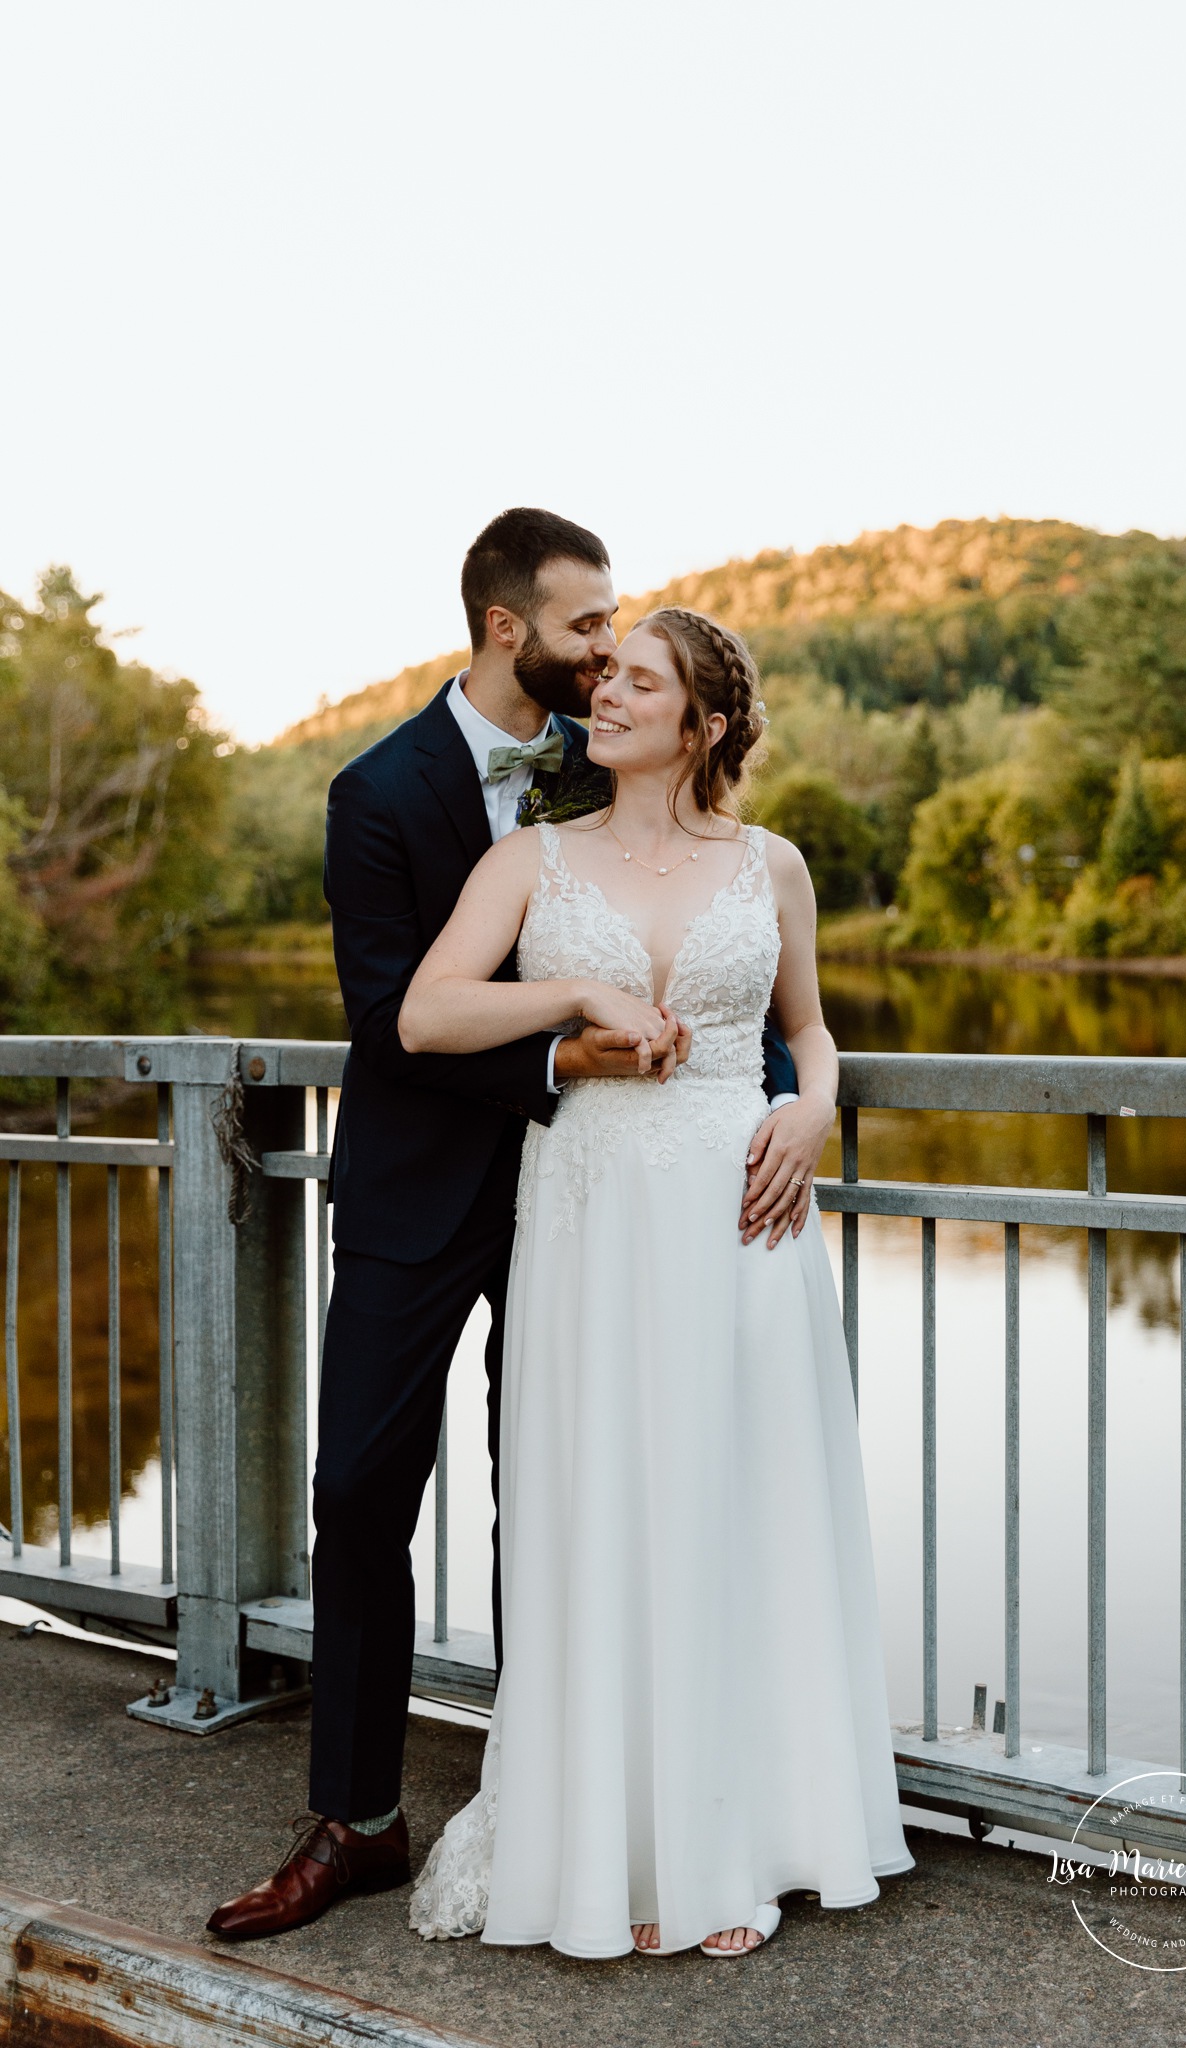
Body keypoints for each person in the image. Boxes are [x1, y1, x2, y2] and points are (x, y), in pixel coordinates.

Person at [206, 510, 799, 1943]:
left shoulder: (660, 797)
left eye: (618, 638)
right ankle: (355, 1821)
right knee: (356, 1493)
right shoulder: (379, 790)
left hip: (602, 1205)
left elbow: (731, 983)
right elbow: (388, 1022)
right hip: (425, 1194)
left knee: (579, 1494)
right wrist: (561, 1050)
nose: (605, 654)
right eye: (587, 626)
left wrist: (785, 1097)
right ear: (504, 628)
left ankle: (593, 1800)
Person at [403, 605, 911, 1958]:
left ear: (703, 724)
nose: (604, 693)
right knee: (611, 1502)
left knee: (737, 1503)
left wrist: (811, 1113)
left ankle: (741, 1837)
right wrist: (568, 993)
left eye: (638, 681)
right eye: (604, 675)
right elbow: (427, 1011)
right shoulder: (530, 861)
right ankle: (620, 1846)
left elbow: (809, 1031)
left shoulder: (774, 866)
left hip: (743, 1222)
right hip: (592, 1216)